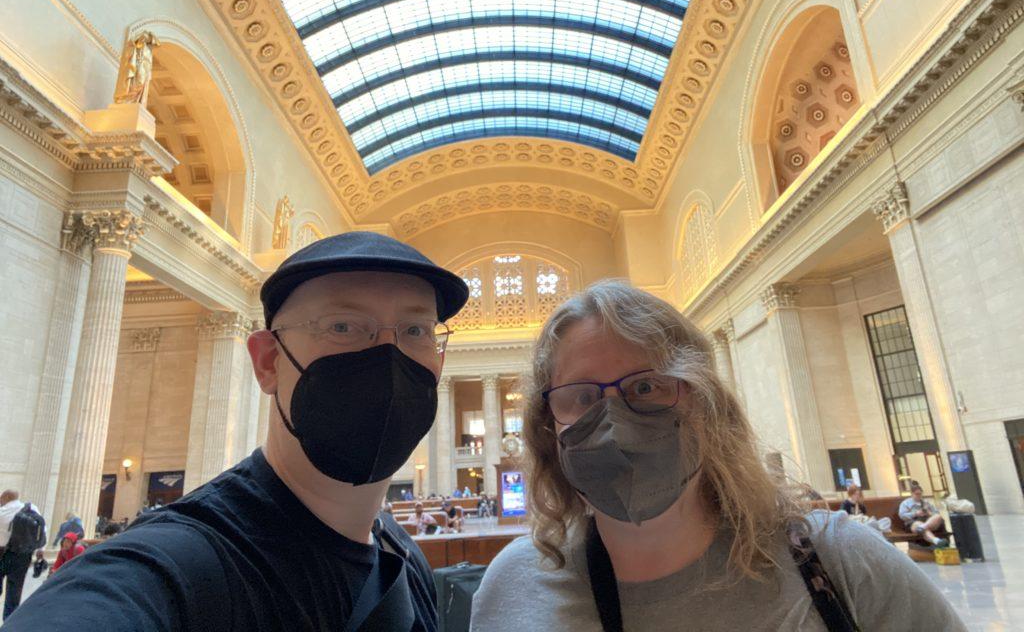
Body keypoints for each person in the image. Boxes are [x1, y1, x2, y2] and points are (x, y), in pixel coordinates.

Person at [7, 232, 469, 631]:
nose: (388, 356)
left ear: (439, 360)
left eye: (415, 329)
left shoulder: (402, 556)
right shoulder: (171, 570)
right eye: (343, 326)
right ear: (268, 362)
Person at [471, 281, 966, 631]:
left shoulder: (841, 561)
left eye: (646, 386)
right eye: (582, 397)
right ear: (547, 427)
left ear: (703, 401)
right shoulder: (512, 586)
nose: (614, 420)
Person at [0, 490, 46, 619]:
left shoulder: (3, 512)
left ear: (7, 497)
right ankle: (9, 621)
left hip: (2, 553)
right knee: (14, 590)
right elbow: (43, 529)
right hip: (23, 555)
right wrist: (40, 549)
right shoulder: (32, 508)